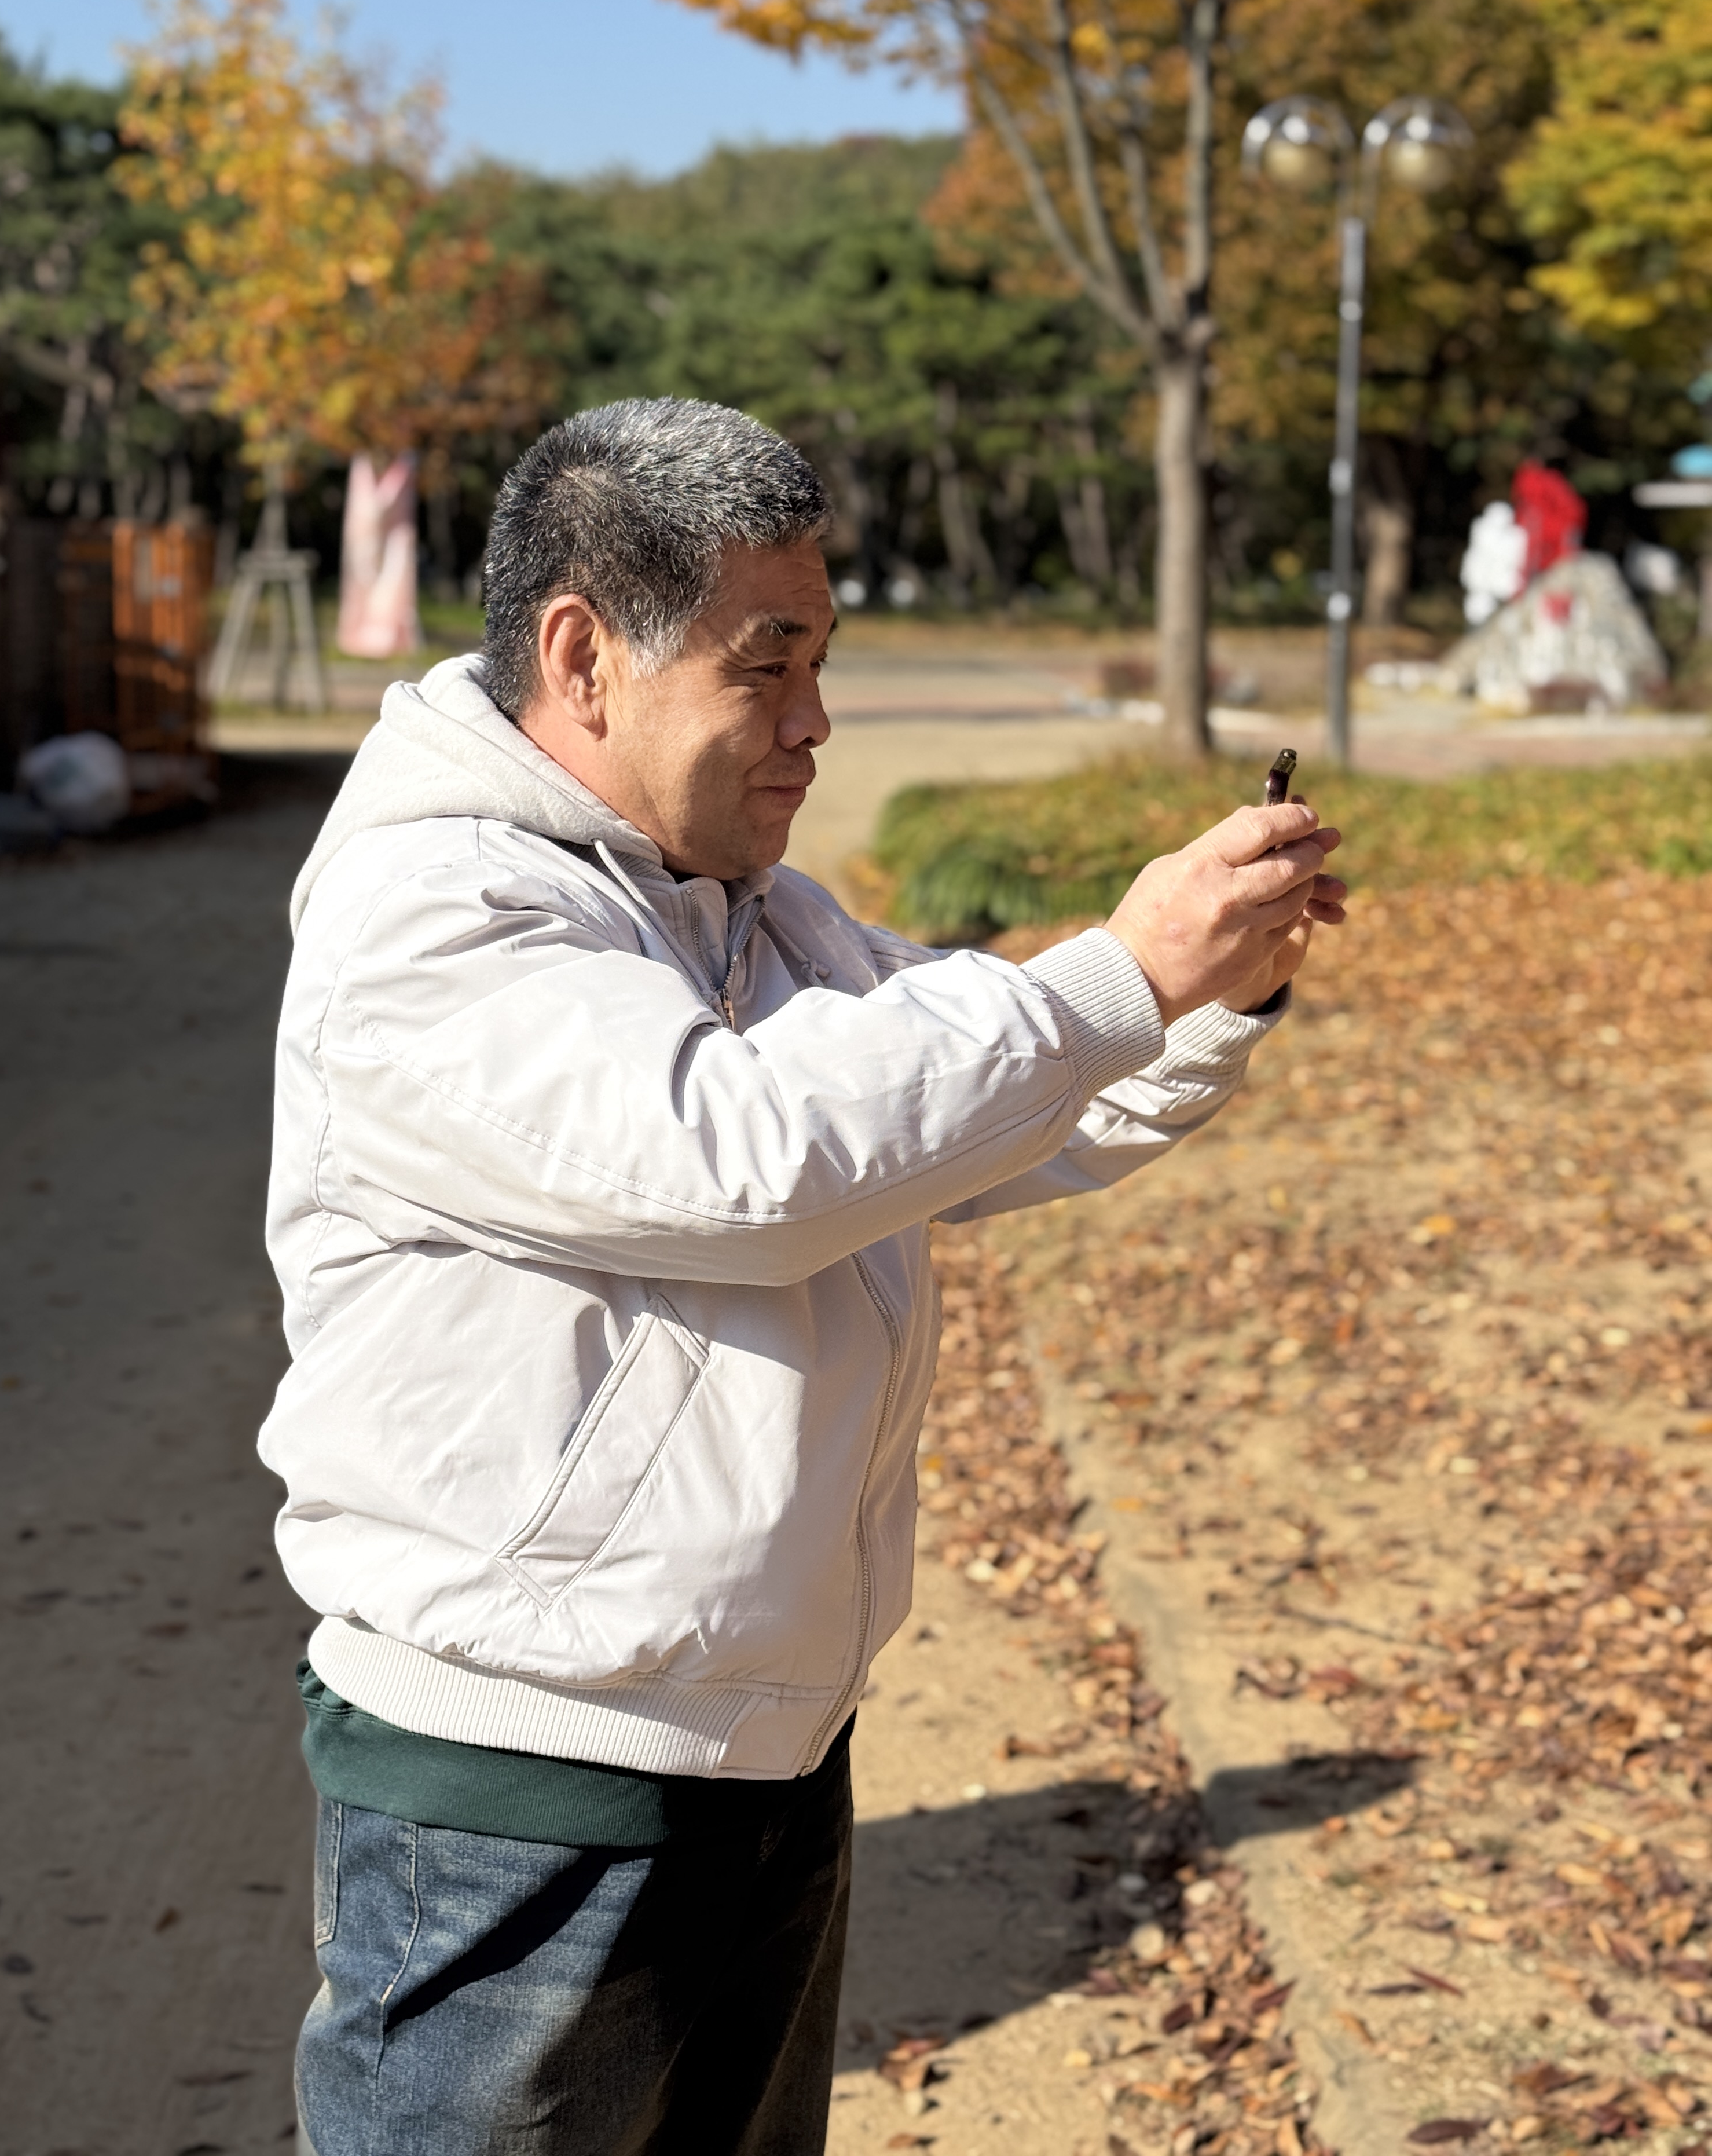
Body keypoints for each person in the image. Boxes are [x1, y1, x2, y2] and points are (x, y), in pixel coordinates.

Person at [258, 397, 1347, 2156]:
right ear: (583, 657)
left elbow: (992, 1113)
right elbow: (742, 1161)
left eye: (821, 663)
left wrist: (1214, 992)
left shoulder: (748, 907)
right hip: (517, 1793)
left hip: (766, 1758)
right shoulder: (435, 912)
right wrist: (1115, 976)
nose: (815, 722)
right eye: (768, 669)